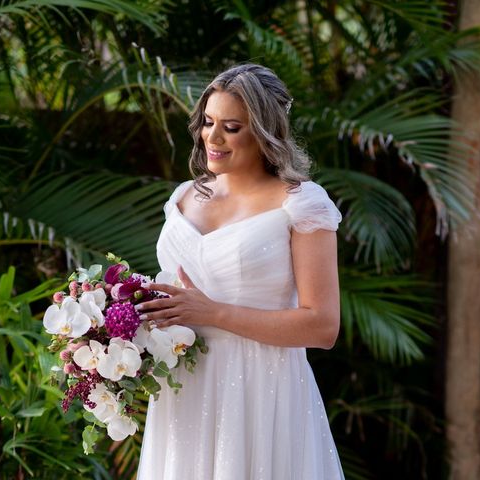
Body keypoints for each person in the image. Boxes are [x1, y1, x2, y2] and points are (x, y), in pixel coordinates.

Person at [135, 63, 345, 479]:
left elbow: (322, 326)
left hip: (259, 391)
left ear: (266, 131)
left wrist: (213, 313)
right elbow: (173, 294)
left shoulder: (301, 204)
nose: (212, 137)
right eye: (208, 122)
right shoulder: (184, 197)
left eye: (231, 127)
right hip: (185, 390)